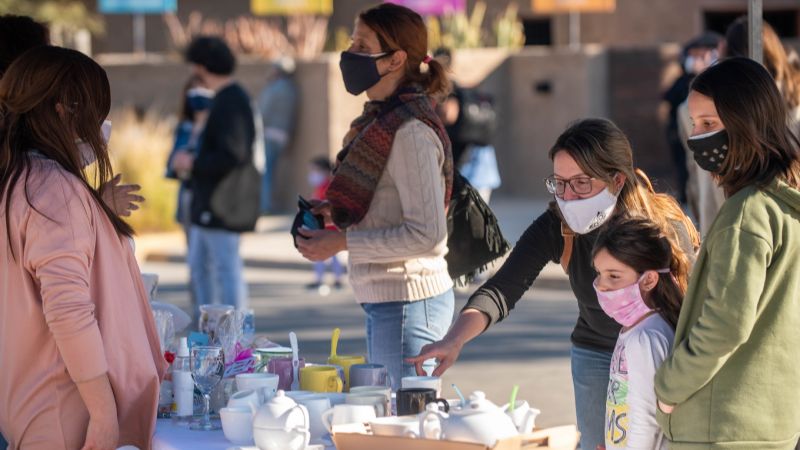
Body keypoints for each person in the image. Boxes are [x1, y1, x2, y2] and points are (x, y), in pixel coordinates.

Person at [408, 118, 699, 450]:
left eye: (581, 183)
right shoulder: (557, 226)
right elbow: (503, 287)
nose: (568, 196)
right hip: (597, 354)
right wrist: (454, 339)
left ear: (616, 180)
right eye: (559, 183)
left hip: (658, 356)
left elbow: (690, 305)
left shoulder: (662, 227)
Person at [0, 45, 167, 450]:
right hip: (67, 416)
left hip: (42, 406)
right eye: (96, 111)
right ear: (62, 109)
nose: (101, 124)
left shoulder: (21, 178)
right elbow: (68, 310)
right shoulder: (52, 189)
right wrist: (104, 415)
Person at [296, 3, 455, 390]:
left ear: (394, 60)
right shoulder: (381, 120)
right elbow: (387, 202)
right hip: (391, 303)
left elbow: (427, 235)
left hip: (409, 304)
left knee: (404, 430)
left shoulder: (410, 132)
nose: (350, 52)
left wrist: (342, 241)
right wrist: (336, 212)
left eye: (362, 44)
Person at [654, 57, 800, 449]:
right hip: (771, 421)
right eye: (695, 123)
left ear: (745, 123)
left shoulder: (746, 213)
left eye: (710, 124)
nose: (697, 136)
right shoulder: (783, 205)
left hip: (721, 427)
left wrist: (669, 387)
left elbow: (726, 323)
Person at [172, 36, 260, 317]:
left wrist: (194, 163)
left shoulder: (231, 101)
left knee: (224, 269)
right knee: (202, 268)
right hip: (209, 201)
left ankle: (230, 333)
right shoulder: (227, 99)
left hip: (223, 202)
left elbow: (233, 153)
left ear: (201, 66)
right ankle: (210, 328)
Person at [592, 216, 690, 450]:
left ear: (649, 280)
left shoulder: (644, 339)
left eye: (614, 276)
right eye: (599, 273)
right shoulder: (637, 329)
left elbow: (647, 420)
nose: (602, 284)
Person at [662, 32, 721, 206]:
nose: (695, 59)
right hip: (679, 134)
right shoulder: (682, 80)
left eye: (701, 55)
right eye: (693, 55)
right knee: (685, 168)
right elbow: (669, 97)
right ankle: (686, 197)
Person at [166, 75, 214, 243]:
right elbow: (172, 164)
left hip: (210, 196)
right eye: (192, 93)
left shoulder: (216, 127)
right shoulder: (184, 127)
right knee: (193, 254)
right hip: (188, 191)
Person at [258, 56, 299, 214]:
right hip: (283, 136)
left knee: (265, 172)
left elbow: (263, 112)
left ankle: (265, 206)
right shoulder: (291, 89)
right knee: (271, 172)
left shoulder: (275, 88)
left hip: (268, 135)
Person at [305, 156, 345, 291]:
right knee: (328, 255)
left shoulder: (327, 187)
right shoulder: (320, 187)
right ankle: (326, 278)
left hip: (330, 228)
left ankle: (333, 279)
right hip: (324, 227)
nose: (312, 174)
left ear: (325, 171)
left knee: (326, 254)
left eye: (315, 170)